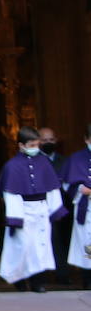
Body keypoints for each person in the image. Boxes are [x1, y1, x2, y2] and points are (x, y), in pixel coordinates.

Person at [0, 127, 68, 289]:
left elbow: (52, 188)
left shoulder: (44, 162)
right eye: (31, 145)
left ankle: (38, 281)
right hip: (22, 211)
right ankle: (20, 279)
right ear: (21, 145)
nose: (35, 148)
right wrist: (16, 217)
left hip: (41, 211)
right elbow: (11, 194)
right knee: (23, 247)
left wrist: (54, 210)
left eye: (37, 144)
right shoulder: (12, 166)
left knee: (40, 246)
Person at [59, 123, 91, 289]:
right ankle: (88, 278)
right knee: (87, 245)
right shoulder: (76, 158)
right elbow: (66, 183)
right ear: (86, 139)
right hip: (86, 210)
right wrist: (80, 189)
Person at [39, 126, 71, 285]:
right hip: (42, 207)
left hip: (64, 207)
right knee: (45, 241)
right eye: (44, 140)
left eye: (51, 140)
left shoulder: (65, 161)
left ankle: (63, 273)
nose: (48, 142)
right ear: (38, 141)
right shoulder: (34, 161)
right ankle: (40, 277)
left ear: (56, 140)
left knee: (63, 240)